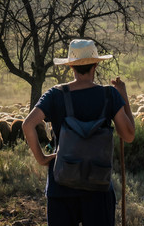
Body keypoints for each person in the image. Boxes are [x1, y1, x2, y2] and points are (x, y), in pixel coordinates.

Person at [22, 39, 135, 226]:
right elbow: (129, 136)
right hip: (99, 187)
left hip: (61, 187)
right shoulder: (109, 95)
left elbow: (27, 125)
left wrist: (42, 159)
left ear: (71, 66)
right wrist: (123, 97)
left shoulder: (54, 94)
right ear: (96, 65)